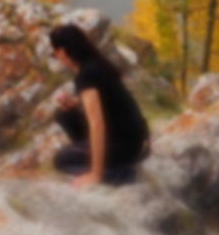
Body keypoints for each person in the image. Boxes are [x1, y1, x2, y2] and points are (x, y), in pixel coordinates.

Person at [47, 23, 149, 186]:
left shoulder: (86, 76)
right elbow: (108, 101)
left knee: (61, 160)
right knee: (64, 114)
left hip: (125, 145)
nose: (56, 57)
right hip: (133, 137)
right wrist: (76, 103)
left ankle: (115, 172)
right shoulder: (97, 65)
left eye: (54, 53)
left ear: (63, 52)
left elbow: (97, 125)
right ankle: (98, 157)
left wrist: (95, 174)